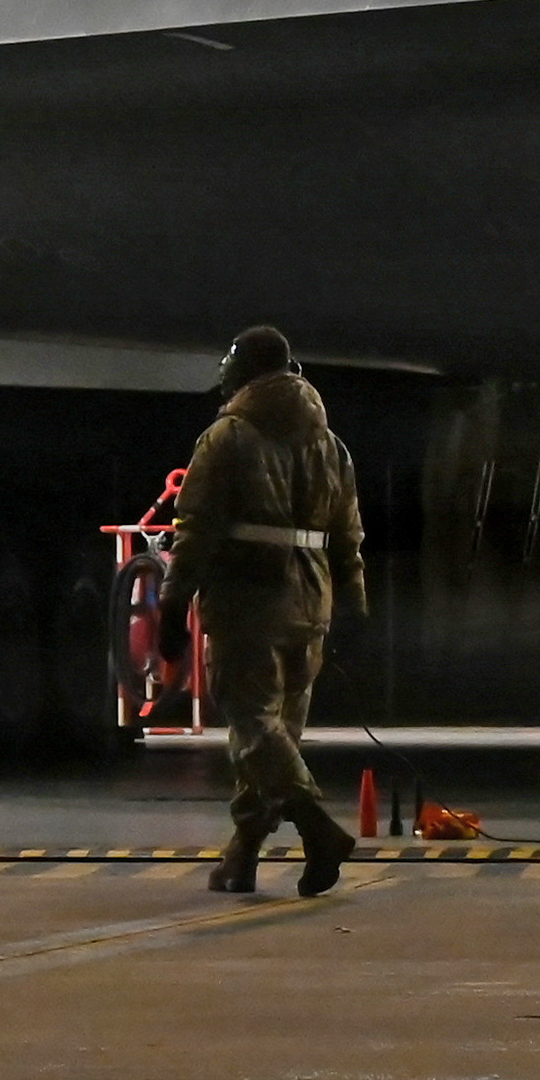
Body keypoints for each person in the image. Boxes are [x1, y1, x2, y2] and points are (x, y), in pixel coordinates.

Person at [169, 325, 366, 897]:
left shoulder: (228, 436)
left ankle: (317, 828)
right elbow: (348, 535)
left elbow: (196, 529)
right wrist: (353, 605)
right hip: (312, 599)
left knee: (254, 726)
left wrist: (172, 603)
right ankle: (243, 856)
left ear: (244, 369)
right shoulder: (329, 445)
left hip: (248, 599)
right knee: (280, 734)